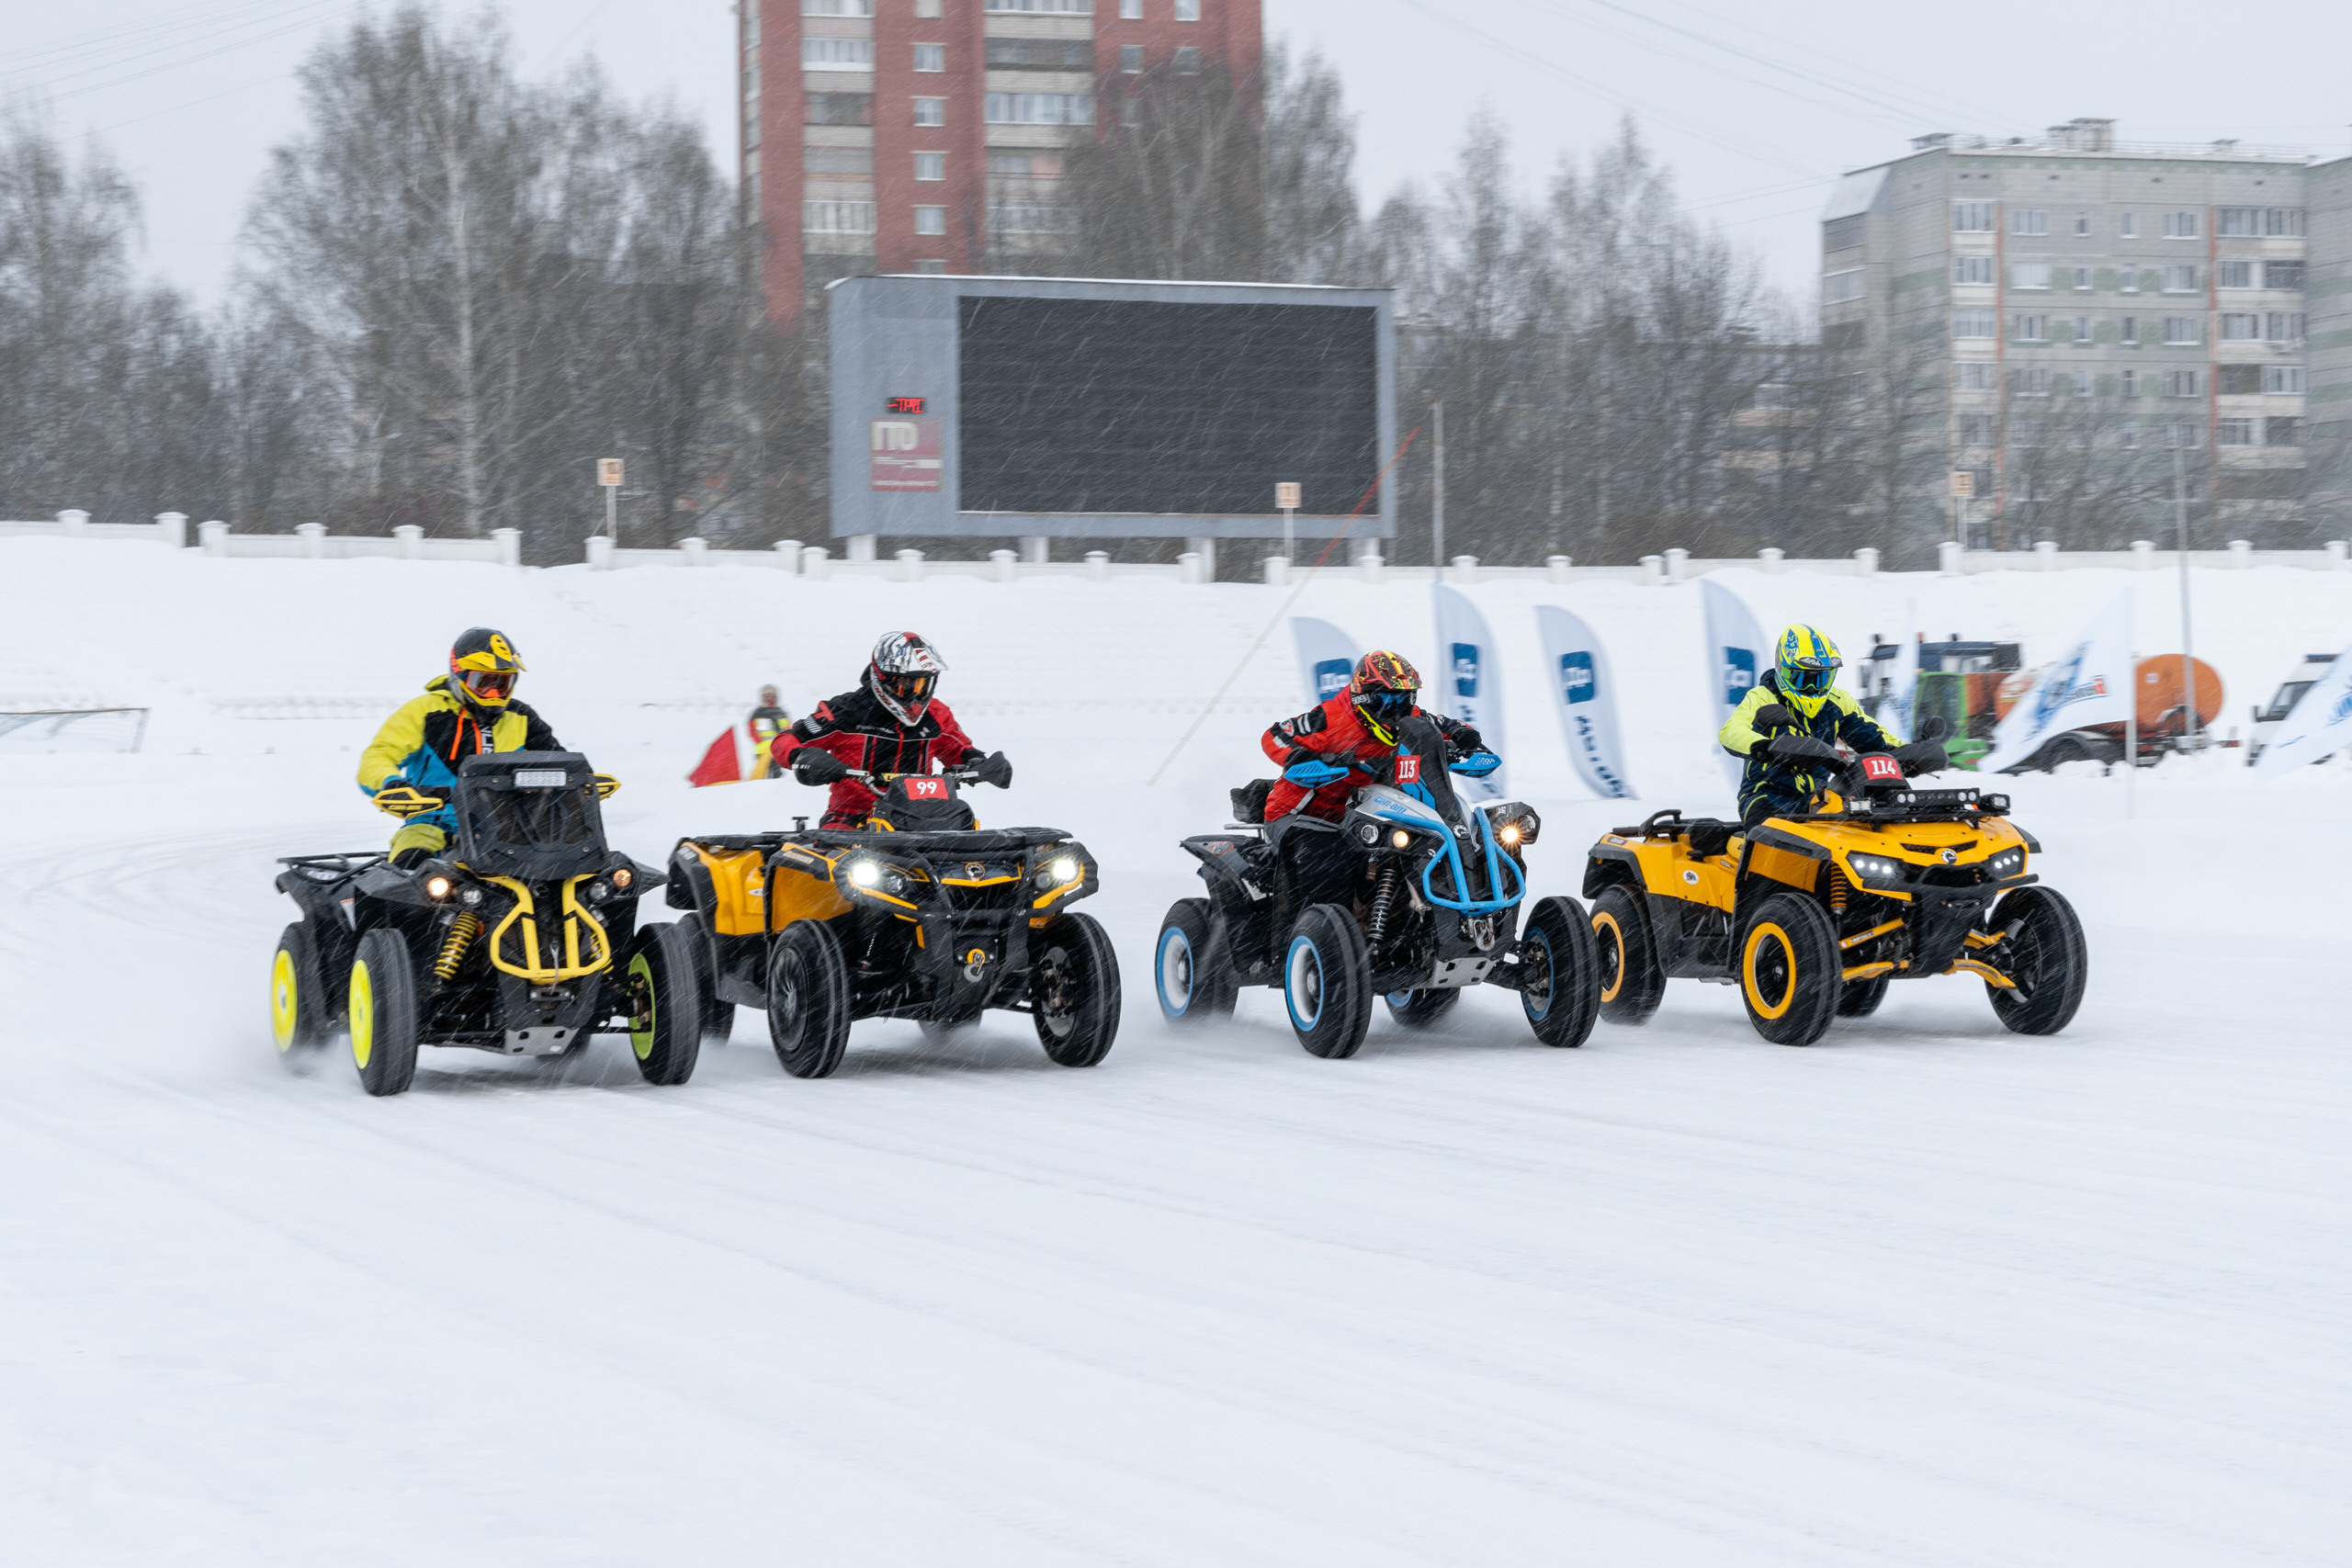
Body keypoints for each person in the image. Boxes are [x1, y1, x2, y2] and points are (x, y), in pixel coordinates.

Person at [1258, 650, 1499, 913]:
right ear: (1364, 697)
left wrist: (1462, 734)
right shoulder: (1331, 718)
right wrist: (1303, 756)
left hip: (1368, 814)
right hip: (1303, 815)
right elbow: (1275, 735)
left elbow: (1443, 723)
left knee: (1423, 848)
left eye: (1406, 699)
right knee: (1328, 856)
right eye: (1388, 699)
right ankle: (1321, 932)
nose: (1397, 709)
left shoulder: (1412, 716)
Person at [358, 627, 564, 865]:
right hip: (433, 824)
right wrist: (392, 784)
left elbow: (558, 761)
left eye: (503, 683)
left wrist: (581, 780)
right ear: (459, 675)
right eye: (483, 682)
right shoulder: (425, 711)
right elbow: (378, 755)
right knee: (412, 866)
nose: (494, 693)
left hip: (507, 828)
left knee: (568, 867)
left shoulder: (521, 717)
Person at [773, 632, 1012, 828]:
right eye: (907, 684)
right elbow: (786, 740)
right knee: (835, 864)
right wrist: (801, 756)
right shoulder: (844, 711)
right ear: (882, 678)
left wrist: (979, 762)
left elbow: (958, 749)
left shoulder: (937, 715)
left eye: (923, 684)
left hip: (925, 817)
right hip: (854, 818)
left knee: (975, 847)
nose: (916, 695)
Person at [1718, 623, 1900, 828]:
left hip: (1822, 799)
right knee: (1773, 837)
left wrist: (1905, 751)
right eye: (1804, 678)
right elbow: (1731, 732)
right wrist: (1764, 746)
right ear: (1783, 669)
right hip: (1768, 796)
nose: (1813, 687)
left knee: (1867, 829)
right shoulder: (1762, 697)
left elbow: (1872, 736)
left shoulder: (1838, 701)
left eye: (1822, 678)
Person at [750, 685, 792, 780]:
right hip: (762, 751)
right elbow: (752, 730)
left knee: (777, 776)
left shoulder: (781, 713)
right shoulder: (757, 714)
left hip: (778, 750)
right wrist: (760, 741)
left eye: (772, 696)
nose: (769, 698)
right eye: (767, 696)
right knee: (763, 777)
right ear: (763, 698)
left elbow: (788, 730)